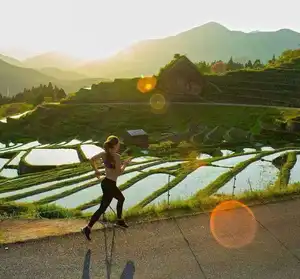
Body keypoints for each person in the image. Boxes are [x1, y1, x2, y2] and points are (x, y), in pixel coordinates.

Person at [82, 135, 132, 241]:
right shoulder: (117, 157)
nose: (119, 147)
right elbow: (119, 173)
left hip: (105, 183)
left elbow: (91, 160)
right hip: (110, 184)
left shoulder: (103, 154)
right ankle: (118, 220)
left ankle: (89, 227)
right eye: (118, 145)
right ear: (114, 146)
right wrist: (125, 164)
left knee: (105, 206)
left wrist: (96, 171)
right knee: (116, 201)